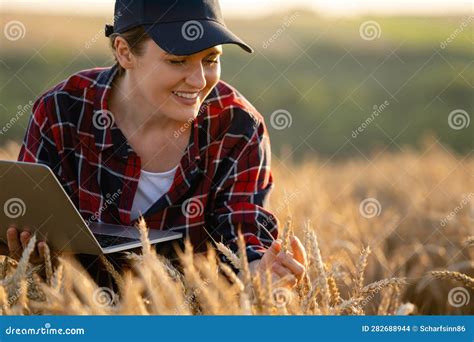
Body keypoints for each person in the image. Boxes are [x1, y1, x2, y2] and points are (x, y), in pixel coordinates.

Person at [1, 0, 306, 289]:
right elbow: (25, 219)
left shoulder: (237, 127)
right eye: (178, 61)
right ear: (124, 52)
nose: (199, 80)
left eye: (211, 60)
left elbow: (243, 234)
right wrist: (27, 249)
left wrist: (258, 270)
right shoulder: (62, 111)